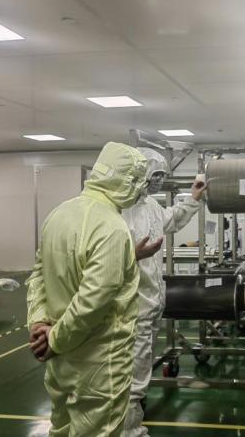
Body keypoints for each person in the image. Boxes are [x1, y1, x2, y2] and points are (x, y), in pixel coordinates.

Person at [26, 142, 154, 436]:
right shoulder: (112, 227)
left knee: (61, 427)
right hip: (99, 362)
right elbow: (92, 301)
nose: (140, 191)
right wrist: (54, 339)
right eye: (139, 183)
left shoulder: (58, 214)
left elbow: (38, 275)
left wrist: (39, 322)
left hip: (60, 361)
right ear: (127, 181)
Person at [122, 148, 206, 437]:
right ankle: (129, 430)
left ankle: (133, 418)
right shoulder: (120, 211)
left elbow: (174, 218)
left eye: (162, 176)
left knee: (142, 368)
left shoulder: (151, 207)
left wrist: (194, 197)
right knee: (133, 374)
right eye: (155, 175)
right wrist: (131, 255)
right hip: (131, 308)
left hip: (152, 304)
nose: (158, 181)